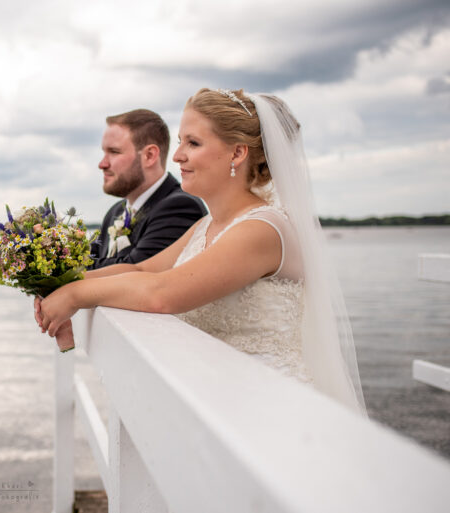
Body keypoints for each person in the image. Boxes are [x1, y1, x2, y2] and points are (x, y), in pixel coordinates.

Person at [36, 89, 367, 416]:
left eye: (193, 143)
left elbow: (161, 293)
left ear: (237, 153)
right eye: (180, 141)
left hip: (268, 405)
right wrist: (62, 283)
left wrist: (75, 295)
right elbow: (143, 270)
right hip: (218, 395)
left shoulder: (263, 229)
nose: (177, 156)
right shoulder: (205, 225)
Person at [90, 109, 207, 269]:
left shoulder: (180, 207)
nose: (102, 164)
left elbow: (135, 272)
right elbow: (88, 260)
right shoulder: (115, 212)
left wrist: (64, 270)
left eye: (114, 152)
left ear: (150, 155)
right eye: (104, 152)